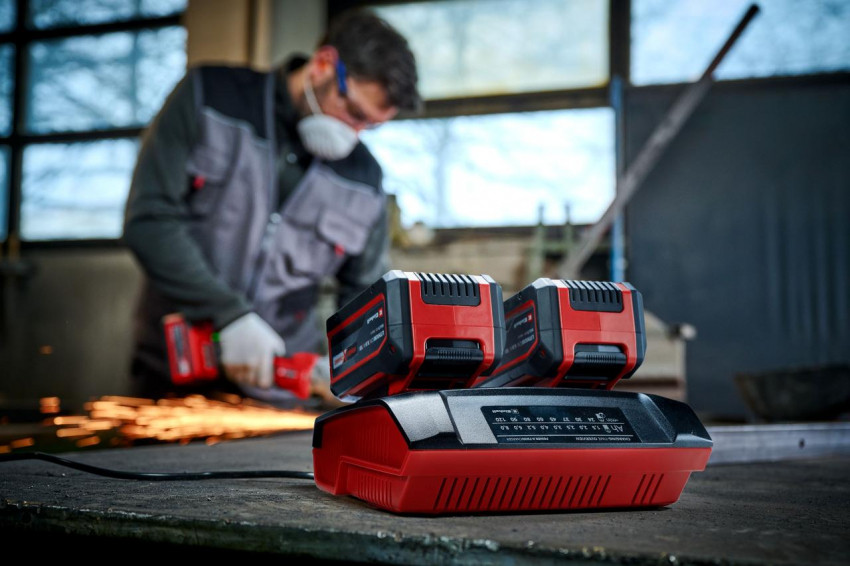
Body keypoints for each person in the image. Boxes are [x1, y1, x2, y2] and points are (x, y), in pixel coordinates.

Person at [122, 9, 420, 404]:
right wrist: (227, 314)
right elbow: (150, 220)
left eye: (370, 126)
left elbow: (364, 294)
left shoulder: (365, 179)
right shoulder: (211, 97)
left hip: (281, 390)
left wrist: (356, 368)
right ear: (323, 65)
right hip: (173, 373)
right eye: (353, 113)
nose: (354, 134)